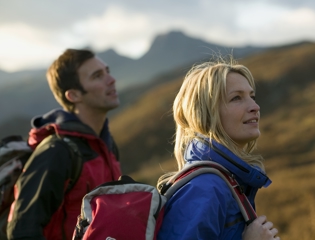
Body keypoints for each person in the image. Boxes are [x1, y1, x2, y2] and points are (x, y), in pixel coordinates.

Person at [157, 60, 280, 240]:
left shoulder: (223, 182)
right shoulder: (205, 188)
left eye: (251, 96)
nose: (255, 106)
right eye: (236, 98)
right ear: (206, 113)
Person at [6, 49, 122, 240]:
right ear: (74, 95)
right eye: (97, 76)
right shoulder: (57, 151)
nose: (111, 79)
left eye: (107, 71)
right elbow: (22, 229)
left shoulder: (106, 146)